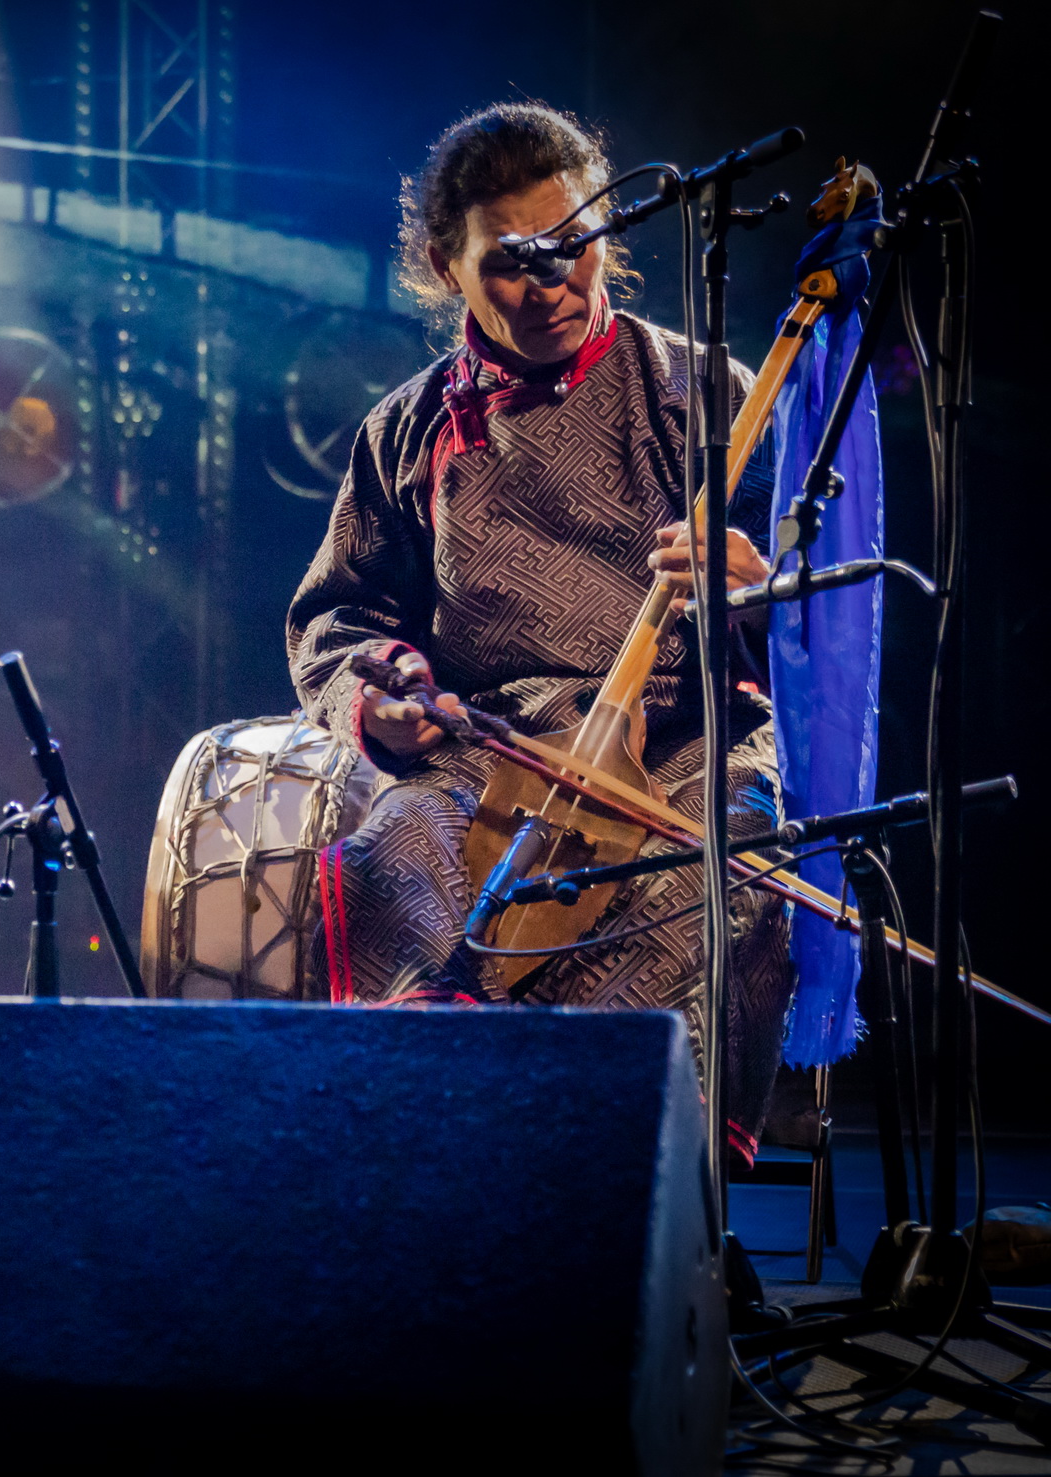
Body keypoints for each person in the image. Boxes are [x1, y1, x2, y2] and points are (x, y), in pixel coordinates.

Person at [287, 104, 794, 1157]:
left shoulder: (704, 394)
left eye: (573, 245)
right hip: (493, 748)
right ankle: (437, 1157)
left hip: (685, 738)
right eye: (511, 260)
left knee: (717, 857)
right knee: (396, 847)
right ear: (446, 265)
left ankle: (634, 1178)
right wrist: (381, 692)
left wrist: (754, 587)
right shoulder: (408, 428)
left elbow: (818, 615)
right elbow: (338, 614)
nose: (551, 282)